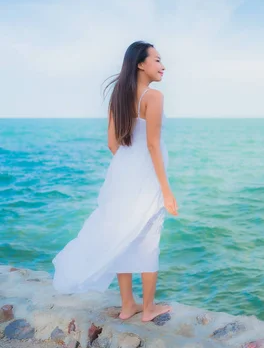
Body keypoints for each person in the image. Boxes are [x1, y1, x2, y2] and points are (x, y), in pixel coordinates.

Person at [52, 40, 178, 322]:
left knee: (122, 234)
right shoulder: (153, 97)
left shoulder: (118, 95)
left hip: (121, 174)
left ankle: (126, 305)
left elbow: (112, 143)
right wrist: (166, 191)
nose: (163, 65)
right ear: (141, 64)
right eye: (157, 60)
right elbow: (153, 146)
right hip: (146, 177)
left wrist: (127, 168)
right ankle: (148, 309)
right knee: (148, 239)